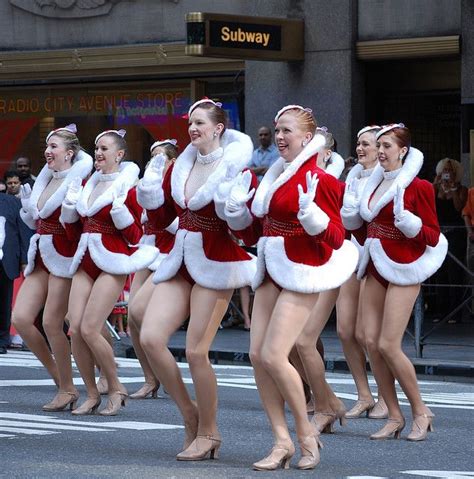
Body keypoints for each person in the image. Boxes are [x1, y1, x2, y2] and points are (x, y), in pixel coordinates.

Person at [223, 105, 358, 470]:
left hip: (302, 270)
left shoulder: (324, 181)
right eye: (277, 130)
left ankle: (306, 435)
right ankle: (281, 441)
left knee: (273, 355)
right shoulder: (270, 178)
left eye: (287, 131)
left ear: (307, 138)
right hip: (269, 268)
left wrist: (311, 217)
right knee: (256, 356)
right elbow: (257, 233)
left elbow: (336, 237)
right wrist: (238, 213)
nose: (279, 137)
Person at [130, 98, 255, 460]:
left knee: (196, 351)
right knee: (151, 337)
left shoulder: (237, 170)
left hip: (216, 261)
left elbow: (245, 229)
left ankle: (210, 432)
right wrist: (149, 191)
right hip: (181, 258)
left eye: (201, 123)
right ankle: (189, 413)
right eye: (190, 124)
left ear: (219, 129)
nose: (193, 129)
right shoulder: (178, 168)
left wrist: (237, 211)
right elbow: (160, 219)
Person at [344, 123, 447, 441]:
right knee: (369, 341)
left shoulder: (419, 187)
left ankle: (421, 411)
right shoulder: (372, 186)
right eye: (380, 145)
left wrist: (412, 225)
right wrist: (352, 220)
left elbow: (432, 235)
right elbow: (366, 233)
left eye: (387, 145)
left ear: (403, 150)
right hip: (374, 265)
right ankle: (394, 414)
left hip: (404, 268)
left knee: (388, 344)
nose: (382, 151)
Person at [61, 129, 155, 416]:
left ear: (120, 154)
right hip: (85, 257)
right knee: (74, 326)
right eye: (96, 148)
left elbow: (137, 235)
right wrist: (68, 211)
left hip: (112, 260)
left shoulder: (129, 187)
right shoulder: (89, 183)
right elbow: (73, 232)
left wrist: (120, 214)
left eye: (104, 149)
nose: (98, 153)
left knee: (90, 327)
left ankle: (115, 387)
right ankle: (91, 393)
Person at [12, 124, 93, 411]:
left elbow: (79, 223)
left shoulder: (79, 181)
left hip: (63, 255)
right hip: (41, 254)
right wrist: (25, 209)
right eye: (47, 146)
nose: (48, 151)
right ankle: (61, 379)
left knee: (51, 322)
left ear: (70, 153)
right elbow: (38, 221)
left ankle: (71, 387)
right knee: (21, 318)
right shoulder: (44, 180)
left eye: (54, 146)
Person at [339, 125, 387, 420]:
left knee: (367, 334)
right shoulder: (352, 177)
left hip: (377, 258)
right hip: (352, 254)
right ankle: (363, 395)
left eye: (366, 144)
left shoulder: (389, 180)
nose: (360, 149)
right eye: (358, 143)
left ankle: (386, 396)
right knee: (345, 331)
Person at [127, 139, 178, 400]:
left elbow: (180, 221)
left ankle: (166, 374)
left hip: (169, 252)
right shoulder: (147, 183)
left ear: (173, 162)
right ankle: (150, 379)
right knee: (131, 319)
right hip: (147, 249)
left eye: (161, 158)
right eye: (152, 158)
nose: (155, 163)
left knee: (139, 311)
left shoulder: (176, 183)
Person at [432, 158, 467, 323]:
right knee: (440, 271)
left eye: (450, 171)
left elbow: (459, 207)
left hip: (455, 234)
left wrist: (453, 188)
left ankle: (456, 312)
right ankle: (440, 310)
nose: (447, 173)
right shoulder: (436, 188)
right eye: (445, 170)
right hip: (439, 234)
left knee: (455, 272)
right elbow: (429, 203)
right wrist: (435, 183)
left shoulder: (462, 189)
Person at [0, 193, 32, 354]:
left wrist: (25, 260)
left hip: (6, 259)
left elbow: (23, 231)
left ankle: (2, 340)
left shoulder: (13, 203)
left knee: (4, 302)